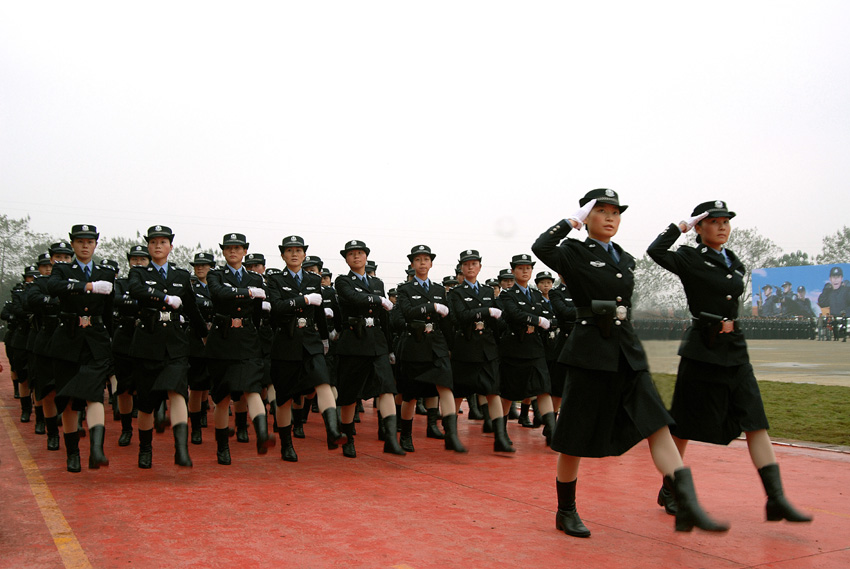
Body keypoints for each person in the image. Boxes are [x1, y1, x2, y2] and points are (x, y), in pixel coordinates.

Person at [532, 189, 727, 537]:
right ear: (587, 217)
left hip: (626, 351)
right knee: (574, 435)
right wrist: (569, 222)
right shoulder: (573, 251)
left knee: (657, 424)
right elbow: (541, 248)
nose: (610, 218)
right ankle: (566, 510)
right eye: (601, 211)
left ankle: (686, 499)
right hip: (590, 352)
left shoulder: (624, 257)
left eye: (615, 213)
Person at [647, 200, 812, 524]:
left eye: (726, 221)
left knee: (755, 420)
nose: (723, 226)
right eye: (714, 221)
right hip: (702, 349)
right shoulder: (689, 257)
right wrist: (681, 226)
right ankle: (672, 488)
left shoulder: (734, 261)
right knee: (683, 424)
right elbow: (656, 251)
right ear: (700, 227)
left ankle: (776, 498)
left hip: (734, 349)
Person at [128, 226, 208, 468]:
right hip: (148, 343)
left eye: (163, 242)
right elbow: (136, 290)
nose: (158, 246)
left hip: (175, 343)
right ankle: (145, 448)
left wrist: (205, 334)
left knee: (177, 393)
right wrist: (163, 298)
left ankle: (181, 449)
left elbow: (192, 308)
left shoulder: (181, 275)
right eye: (153, 242)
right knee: (147, 402)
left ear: (171, 247)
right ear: (149, 247)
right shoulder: (139, 273)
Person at [266, 235, 346, 462]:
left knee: (323, 382)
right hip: (286, 341)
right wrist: (303, 300)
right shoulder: (274, 280)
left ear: (303, 254)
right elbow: (277, 308)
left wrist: (324, 337)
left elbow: (319, 310)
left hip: (311, 339)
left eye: (298, 250)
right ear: (282, 254)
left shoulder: (313, 279)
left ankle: (332, 430)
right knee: (284, 398)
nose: (294, 254)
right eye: (289, 250)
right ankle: (286, 444)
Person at [47, 224, 115, 472]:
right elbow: (52, 288)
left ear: (96, 244)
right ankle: (73, 453)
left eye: (90, 241)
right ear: (73, 244)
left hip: (95, 339)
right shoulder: (63, 269)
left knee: (95, 394)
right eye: (80, 241)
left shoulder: (106, 272)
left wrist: (112, 339)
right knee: (66, 400)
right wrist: (87, 286)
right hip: (68, 339)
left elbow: (107, 312)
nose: (85, 245)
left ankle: (96, 449)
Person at [205, 233, 275, 464]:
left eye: (238, 248)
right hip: (222, 339)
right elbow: (218, 293)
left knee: (252, 386)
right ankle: (222, 446)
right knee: (222, 396)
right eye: (228, 248)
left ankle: (262, 431)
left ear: (245, 251)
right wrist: (245, 293)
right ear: (224, 252)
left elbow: (256, 311)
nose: (233, 252)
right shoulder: (216, 274)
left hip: (246, 338)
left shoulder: (255, 278)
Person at [333, 240, 405, 457]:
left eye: (360, 253)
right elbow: (352, 297)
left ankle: (391, 438)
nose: (356, 257)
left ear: (366, 257)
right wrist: (377, 299)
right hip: (354, 341)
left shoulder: (377, 283)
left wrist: (390, 348)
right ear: (346, 258)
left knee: (386, 389)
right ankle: (347, 437)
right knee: (349, 395)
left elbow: (383, 318)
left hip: (377, 342)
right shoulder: (342, 281)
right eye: (351, 254)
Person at [395, 245, 467, 453]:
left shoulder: (438, 290)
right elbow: (407, 313)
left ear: (431, 263)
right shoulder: (404, 290)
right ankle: (406, 435)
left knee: (445, 386)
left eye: (426, 259)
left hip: (436, 344)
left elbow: (445, 321)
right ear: (412, 264)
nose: (422, 263)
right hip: (414, 346)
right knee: (410, 394)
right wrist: (431, 307)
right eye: (418, 260)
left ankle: (451, 434)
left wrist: (451, 346)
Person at [447, 249, 513, 452]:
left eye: (474, 264)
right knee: (458, 392)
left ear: (479, 267)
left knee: (493, 392)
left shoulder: (487, 291)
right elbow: (460, 317)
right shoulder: (456, 293)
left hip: (487, 348)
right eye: (466, 264)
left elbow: (497, 319)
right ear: (461, 267)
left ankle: (500, 436)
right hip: (465, 348)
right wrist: (485, 312)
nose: (470, 267)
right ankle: (451, 435)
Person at [496, 255, 557, 447]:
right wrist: (537, 321)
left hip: (535, 349)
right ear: (514, 271)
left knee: (543, 389)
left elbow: (551, 318)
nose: (525, 271)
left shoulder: (538, 295)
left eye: (528, 268)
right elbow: (514, 314)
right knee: (508, 393)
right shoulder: (507, 294)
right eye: (520, 268)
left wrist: (545, 323)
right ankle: (501, 433)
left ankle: (552, 431)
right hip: (515, 349)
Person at [25, 242, 74, 451]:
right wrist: (53, 301)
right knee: (48, 391)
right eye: (58, 257)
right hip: (46, 341)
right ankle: (52, 432)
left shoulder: (77, 280)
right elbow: (31, 300)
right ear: (51, 260)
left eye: (66, 257)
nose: (62, 260)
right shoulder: (41, 282)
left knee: (71, 391)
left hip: (71, 340)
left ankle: (71, 433)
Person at [111, 245, 151, 447]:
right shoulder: (121, 283)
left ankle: (146, 437)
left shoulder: (155, 283)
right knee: (124, 388)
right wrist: (139, 300)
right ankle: (126, 429)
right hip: (124, 338)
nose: (138, 262)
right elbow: (114, 300)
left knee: (147, 387)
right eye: (134, 259)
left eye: (142, 259)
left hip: (148, 339)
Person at [187, 252, 216, 444]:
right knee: (196, 386)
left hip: (216, 339)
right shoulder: (190, 287)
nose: (199, 268)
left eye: (204, 265)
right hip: (196, 338)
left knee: (211, 381)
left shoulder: (218, 286)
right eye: (197, 265)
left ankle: (207, 410)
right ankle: (195, 426)